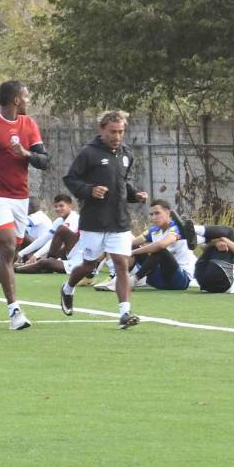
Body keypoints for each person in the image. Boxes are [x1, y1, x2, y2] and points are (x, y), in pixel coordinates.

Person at [0, 81, 50, 330]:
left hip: (20, 197)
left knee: (9, 254)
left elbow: (44, 161)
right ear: (16, 99)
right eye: (26, 96)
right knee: (8, 246)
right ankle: (14, 312)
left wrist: (26, 153)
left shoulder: (29, 124)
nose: (28, 100)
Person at [58, 110, 147, 329]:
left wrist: (135, 195)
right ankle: (68, 288)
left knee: (121, 264)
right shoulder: (88, 153)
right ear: (101, 130)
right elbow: (70, 179)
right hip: (94, 221)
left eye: (121, 132)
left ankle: (124, 314)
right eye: (112, 132)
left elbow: (122, 183)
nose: (117, 136)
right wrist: (89, 190)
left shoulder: (127, 153)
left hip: (119, 220)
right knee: (89, 266)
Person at [127, 200, 195, 291]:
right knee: (132, 247)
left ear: (168, 213)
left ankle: (133, 280)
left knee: (159, 250)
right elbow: (132, 243)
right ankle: (121, 277)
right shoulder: (153, 230)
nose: (154, 217)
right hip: (160, 280)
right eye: (151, 214)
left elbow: (161, 245)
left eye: (157, 213)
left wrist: (133, 252)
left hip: (180, 280)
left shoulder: (177, 228)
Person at [14, 194, 81, 274]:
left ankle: (14, 268)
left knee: (44, 262)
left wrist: (36, 255)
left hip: (78, 260)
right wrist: (21, 253)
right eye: (56, 206)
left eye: (61, 206)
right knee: (44, 262)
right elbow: (44, 238)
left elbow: (53, 241)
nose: (58, 209)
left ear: (70, 206)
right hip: (67, 255)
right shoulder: (59, 221)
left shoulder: (74, 218)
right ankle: (17, 266)